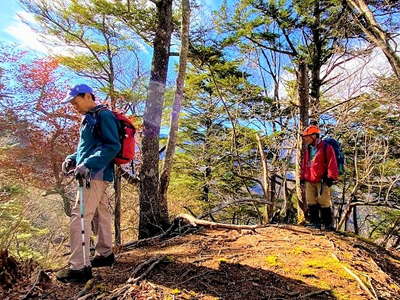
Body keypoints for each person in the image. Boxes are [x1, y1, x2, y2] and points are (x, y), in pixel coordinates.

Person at [56, 84, 120, 283]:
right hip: (97, 173)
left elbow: (112, 145)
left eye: (75, 101)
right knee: (102, 214)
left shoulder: (103, 115)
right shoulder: (89, 118)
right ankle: (105, 254)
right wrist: (73, 157)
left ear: (86, 96)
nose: (73, 106)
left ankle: (79, 268)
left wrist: (88, 164)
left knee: (79, 217)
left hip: (94, 175)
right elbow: (91, 146)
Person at [300, 123, 338, 231]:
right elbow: (304, 164)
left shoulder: (326, 147)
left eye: (306, 137)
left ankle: (328, 225)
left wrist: (331, 177)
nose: (305, 139)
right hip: (309, 179)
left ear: (314, 136)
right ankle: (315, 223)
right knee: (311, 201)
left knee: (324, 202)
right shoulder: (308, 149)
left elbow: (332, 162)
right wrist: (302, 177)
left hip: (322, 180)